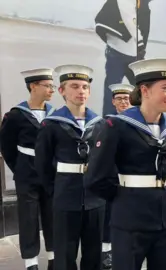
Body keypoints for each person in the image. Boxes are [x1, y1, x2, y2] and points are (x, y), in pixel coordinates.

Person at [84, 58, 166, 270]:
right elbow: (95, 177)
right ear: (145, 90)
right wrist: (123, 197)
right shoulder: (116, 126)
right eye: (165, 88)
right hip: (130, 220)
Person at [35, 65, 105, 270]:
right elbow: (42, 164)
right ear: (62, 91)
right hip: (65, 195)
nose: (81, 91)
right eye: (74, 86)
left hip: (95, 198)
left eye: (85, 87)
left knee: (94, 252)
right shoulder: (51, 124)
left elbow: (106, 160)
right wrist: (55, 190)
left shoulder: (100, 124)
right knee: (65, 253)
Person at [0, 68, 56, 270]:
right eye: (47, 86)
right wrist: (20, 168)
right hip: (27, 174)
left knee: (52, 216)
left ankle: (53, 257)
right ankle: (31, 262)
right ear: (33, 86)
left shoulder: (54, 115)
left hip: (49, 174)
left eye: (52, 86)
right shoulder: (16, 115)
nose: (52, 90)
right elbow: (6, 146)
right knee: (29, 218)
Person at [95, 0, 152, 115]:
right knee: (113, 89)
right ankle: (109, 122)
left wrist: (140, 49)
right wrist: (140, 44)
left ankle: (141, 118)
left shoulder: (143, 3)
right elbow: (129, 21)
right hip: (119, 50)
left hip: (131, 52)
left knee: (143, 89)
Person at [100, 83, 134, 269]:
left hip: (132, 179)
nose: (123, 102)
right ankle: (106, 250)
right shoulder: (106, 123)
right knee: (108, 216)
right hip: (112, 177)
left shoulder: (138, 123)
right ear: (113, 101)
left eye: (127, 98)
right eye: (119, 98)